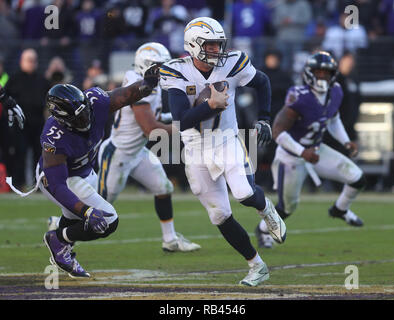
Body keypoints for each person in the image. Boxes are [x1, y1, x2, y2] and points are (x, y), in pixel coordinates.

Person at [160, 17, 286, 287]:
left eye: (219, 45)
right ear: (193, 46)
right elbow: (182, 120)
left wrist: (263, 118)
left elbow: (262, 82)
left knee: (244, 193)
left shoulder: (233, 62)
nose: (217, 51)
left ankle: (267, 210)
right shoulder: (176, 71)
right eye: (211, 45)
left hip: (226, 138)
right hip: (195, 148)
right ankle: (257, 266)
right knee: (219, 215)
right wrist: (211, 105)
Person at [8, 64, 160, 278]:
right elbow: (59, 186)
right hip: (59, 179)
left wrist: (147, 84)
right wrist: (87, 211)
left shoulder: (94, 102)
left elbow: (125, 95)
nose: (85, 120)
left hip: (85, 170)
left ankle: (61, 242)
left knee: (75, 217)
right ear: (63, 120)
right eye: (78, 118)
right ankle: (57, 239)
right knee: (108, 220)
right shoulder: (53, 138)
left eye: (85, 112)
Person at [95, 42, 200, 252]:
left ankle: (170, 239)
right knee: (99, 207)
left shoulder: (149, 84)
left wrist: (182, 115)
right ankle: (61, 229)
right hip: (119, 154)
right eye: (160, 66)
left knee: (163, 188)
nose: (165, 70)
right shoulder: (140, 86)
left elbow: (155, 117)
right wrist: (184, 126)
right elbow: (151, 129)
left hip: (138, 152)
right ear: (147, 66)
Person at [256, 51, 366, 249]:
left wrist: (346, 141)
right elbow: (278, 132)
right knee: (287, 208)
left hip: (316, 151)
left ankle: (340, 209)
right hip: (291, 158)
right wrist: (301, 152)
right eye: (318, 72)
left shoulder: (336, 91)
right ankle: (263, 229)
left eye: (326, 72)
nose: (322, 76)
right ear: (309, 73)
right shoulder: (299, 96)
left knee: (357, 177)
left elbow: (333, 119)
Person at [5, 49, 50, 189]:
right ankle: (19, 184)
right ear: (21, 62)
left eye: (33, 60)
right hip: (20, 123)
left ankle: (40, 185)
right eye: (28, 60)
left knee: (39, 154)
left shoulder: (42, 80)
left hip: (38, 122)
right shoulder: (14, 79)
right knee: (20, 153)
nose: (31, 63)